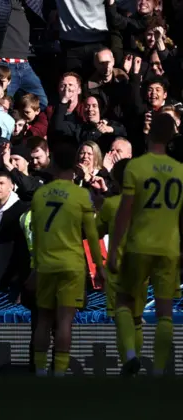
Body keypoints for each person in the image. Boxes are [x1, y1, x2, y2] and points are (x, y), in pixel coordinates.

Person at [109, 113, 183, 376]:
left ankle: (130, 354)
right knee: (165, 311)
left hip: (139, 244)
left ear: (150, 134)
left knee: (124, 301)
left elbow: (124, 213)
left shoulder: (136, 167)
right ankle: (159, 370)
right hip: (169, 247)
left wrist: (114, 250)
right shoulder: (180, 171)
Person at [30, 142, 105, 377]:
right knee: (64, 321)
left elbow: (36, 235)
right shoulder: (80, 194)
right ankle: (60, 374)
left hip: (45, 263)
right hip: (71, 265)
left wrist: (34, 267)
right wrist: (99, 267)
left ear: (52, 166)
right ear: (73, 166)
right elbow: (91, 235)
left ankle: (40, 371)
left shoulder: (39, 195)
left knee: (43, 318)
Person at [96, 158, 146, 364]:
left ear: (115, 179)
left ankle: (129, 358)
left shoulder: (110, 204)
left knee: (121, 311)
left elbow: (96, 231)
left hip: (119, 264)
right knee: (136, 319)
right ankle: (134, 364)